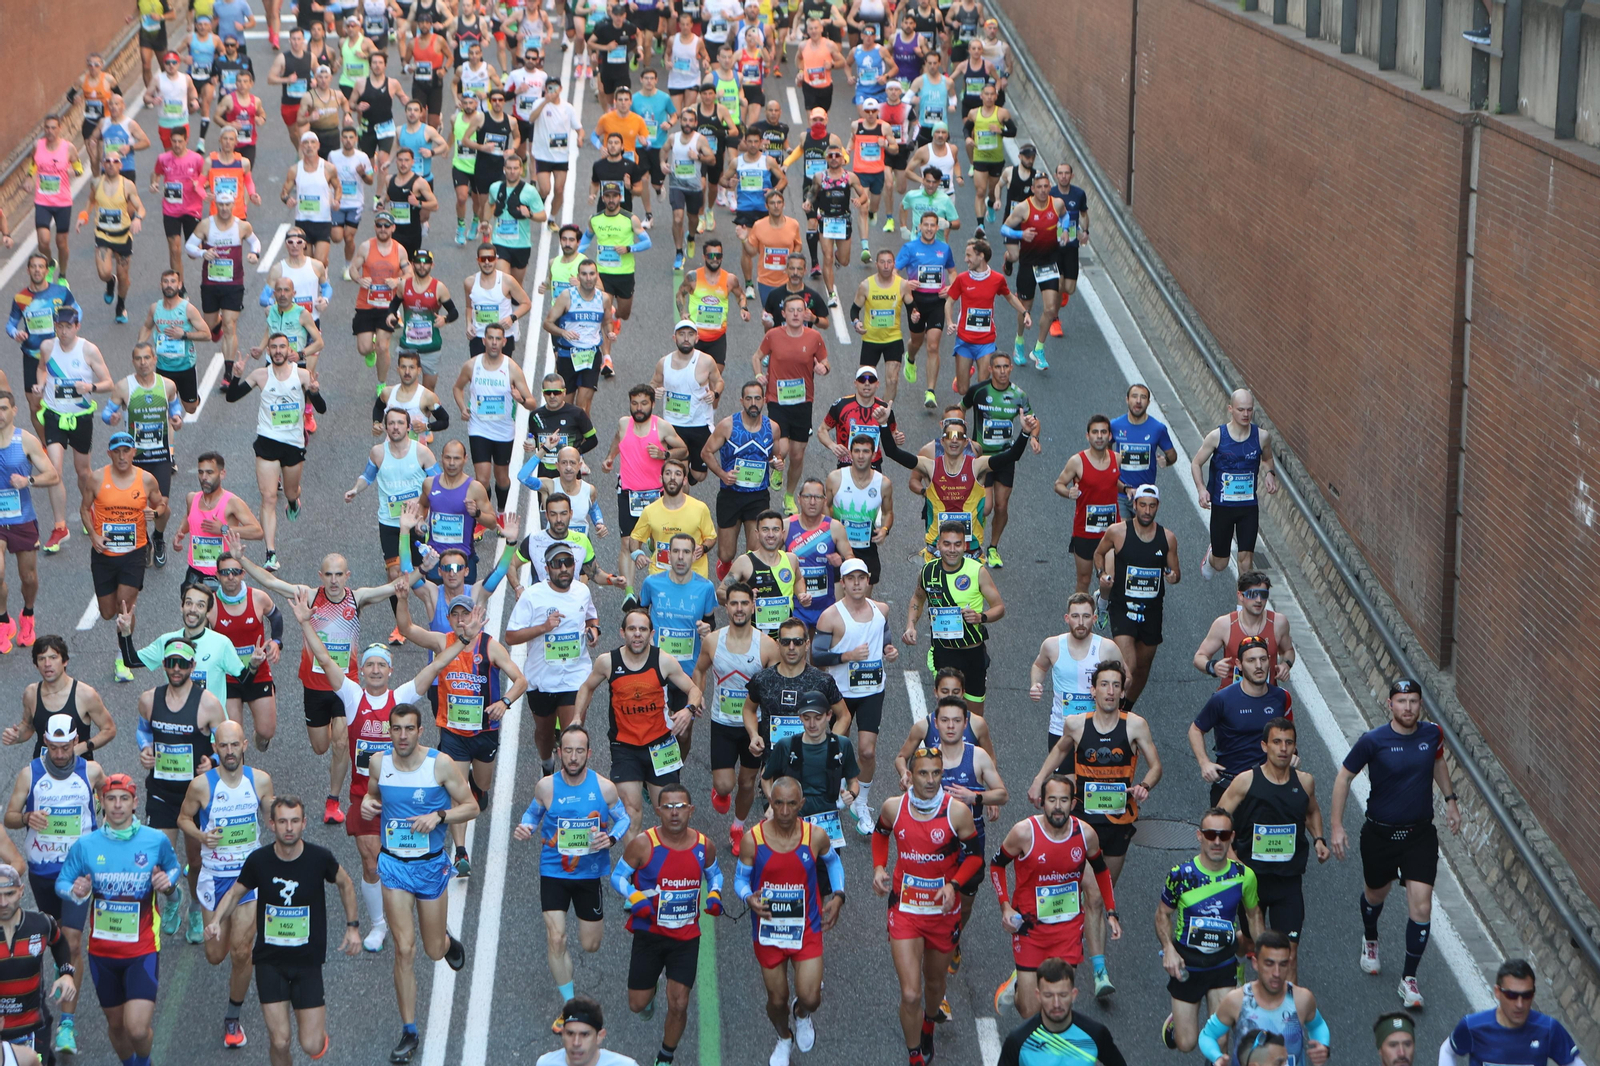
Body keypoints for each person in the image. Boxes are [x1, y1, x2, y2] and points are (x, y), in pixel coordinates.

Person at [1028, 659, 1161, 996]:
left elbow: (1156, 765)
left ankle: (1065, 950)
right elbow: (1058, 753)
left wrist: (1145, 784)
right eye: (1104, 685)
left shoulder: (1135, 726)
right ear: (1094, 689)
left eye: (1116, 686)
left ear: (1122, 691)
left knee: (1098, 899)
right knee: (1090, 897)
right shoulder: (1075, 724)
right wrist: (1039, 781)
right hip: (1082, 824)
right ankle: (1097, 969)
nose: (1110, 691)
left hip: (1118, 824)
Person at [1328, 676, 1462, 1009]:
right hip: (1380, 835)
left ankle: (1409, 980)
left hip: (1419, 835)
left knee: (1422, 905)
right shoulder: (1373, 741)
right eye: (1401, 702)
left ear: (1420, 705)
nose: (1408, 707)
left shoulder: (1432, 734)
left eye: (1413, 702)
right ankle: (1370, 938)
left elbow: (1438, 760)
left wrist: (1450, 799)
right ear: (1390, 704)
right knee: (1377, 893)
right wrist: (1336, 827)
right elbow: (1344, 776)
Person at [204, 795, 362, 1066]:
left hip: (307, 962)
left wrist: (353, 927)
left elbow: (346, 884)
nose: (289, 828)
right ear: (271, 824)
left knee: (310, 1044)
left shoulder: (319, 858)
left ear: (304, 824)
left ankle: (316, 1037)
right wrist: (217, 919)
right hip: (270, 962)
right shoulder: (259, 861)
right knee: (280, 1041)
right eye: (282, 822)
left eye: (294, 821)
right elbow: (234, 893)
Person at [361, 699, 475, 1063]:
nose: (403, 735)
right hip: (393, 866)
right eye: (397, 729)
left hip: (429, 866)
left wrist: (439, 816)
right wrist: (366, 803)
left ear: (420, 730)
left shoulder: (439, 764)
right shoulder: (379, 763)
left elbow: (471, 806)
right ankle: (409, 1031)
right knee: (404, 949)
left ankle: (445, 941)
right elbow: (372, 796)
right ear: (389, 731)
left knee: (432, 950)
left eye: (410, 728)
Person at [392, 585, 526, 876]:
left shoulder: (490, 646)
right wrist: (401, 599)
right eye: (456, 615)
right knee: (457, 789)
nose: (461, 620)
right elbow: (406, 628)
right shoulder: (443, 642)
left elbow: (520, 680)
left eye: (467, 614)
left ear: (477, 616)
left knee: (482, 785)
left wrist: (504, 702)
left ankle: (478, 787)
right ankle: (461, 853)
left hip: (484, 730)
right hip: (452, 732)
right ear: (450, 619)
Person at [55, 772, 181, 1066]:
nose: (117, 805)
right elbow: (63, 882)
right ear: (101, 802)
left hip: (142, 950)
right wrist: (75, 890)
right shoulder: (86, 845)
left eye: (124, 799)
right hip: (102, 953)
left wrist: (167, 881)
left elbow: (173, 868)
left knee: (137, 1029)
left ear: (135, 803)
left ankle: (145, 1062)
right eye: (110, 799)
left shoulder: (155, 840)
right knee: (116, 1027)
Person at [514, 724, 630, 1032]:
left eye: (580, 751)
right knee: (556, 938)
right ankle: (569, 1006)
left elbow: (624, 817)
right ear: (559, 753)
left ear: (589, 754)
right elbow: (532, 814)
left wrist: (612, 838)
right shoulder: (546, 787)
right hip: (553, 871)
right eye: (568, 750)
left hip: (588, 873)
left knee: (590, 945)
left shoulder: (604, 788)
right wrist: (525, 827)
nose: (574, 757)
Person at [874, 744, 984, 1065]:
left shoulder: (956, 812)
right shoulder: (894, 807)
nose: (931, 780)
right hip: (905, 909)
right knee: (910, 993)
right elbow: (881, 834)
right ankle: (914, 1057)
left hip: (942, 913)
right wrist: (879, 867)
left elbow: (974, 856)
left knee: (934, 984)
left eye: (937, 773)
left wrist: (954, 884)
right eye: (924, 773)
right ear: (909, 775)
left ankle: (928, 1023)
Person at [3, 715, 102, 1057]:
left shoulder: (91, 771)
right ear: (45, 742)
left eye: (66, 747)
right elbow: (9, 816)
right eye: (54, 747)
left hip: (77, 873)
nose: (60, 754)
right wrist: (27, 818)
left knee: (73, 941)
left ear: (75, 740)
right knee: (50, 937)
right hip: (42, 871)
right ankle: (36, 998)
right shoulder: (31, 774)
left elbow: (110, 799)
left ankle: (67, 1025)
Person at [177, 720, 273, 1049]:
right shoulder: (202, 785)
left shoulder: (260, 780)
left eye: (235, 745)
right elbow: (183, 819)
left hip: (249, 882)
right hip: (214, 879)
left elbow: (272, 814)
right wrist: (201, 835)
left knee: (242, 952)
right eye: (223, 746)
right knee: (216, 954)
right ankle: (228, 934)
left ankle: (233, 1017)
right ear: (215, 748)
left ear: (245, 744)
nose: (229, 752)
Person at [611, 785, 723, 1066]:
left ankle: (665, 1056)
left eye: (680, 806)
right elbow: (618, 877)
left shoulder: (703, 845)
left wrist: (714, 894)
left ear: (691, 810)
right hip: (649, 933)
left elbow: (716, 873)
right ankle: (649, 995)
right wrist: (635, 896)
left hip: (686, 937)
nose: (675, 813)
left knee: (680, 1002)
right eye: (669, 807)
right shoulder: (643, 844)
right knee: (637, 1004)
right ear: (658, 811)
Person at [737, 775, 845, 1066]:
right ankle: (784, 1038)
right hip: (768, 931)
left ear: (802, 804)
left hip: (806, 929)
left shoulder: (815, 836)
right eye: (778, 803)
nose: (784, 811)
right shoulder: (753, 839)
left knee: (811, 998)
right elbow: (740, 879)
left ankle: (802, 1014)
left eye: (791, 804)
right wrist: (748, 897)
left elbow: (833, 862)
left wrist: (838, 895)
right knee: (776, 1000)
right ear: (770, 803)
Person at [991, 775, 1118, 1017]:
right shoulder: (1024, 832)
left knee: (1056, 1008)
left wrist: (1111, 910)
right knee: (1030, 1011)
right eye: (1052, 800)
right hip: (1030, 929)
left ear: (1073, 803)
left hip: (1068, 929)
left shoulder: (1085, 834)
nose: (1058, 806)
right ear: (1042, 802)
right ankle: (1019, 985)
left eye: (1063, 800)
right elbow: (997, 865)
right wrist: (1005, 906)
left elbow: (1101, 870)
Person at [574, 608, 703, 842]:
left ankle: (669, 868)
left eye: (643, 629)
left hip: (661, 745)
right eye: (632, 629)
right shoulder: (608, 662)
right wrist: (576, 717)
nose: (637, 634)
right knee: (631, 813)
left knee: (669, 811)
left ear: (651, 633)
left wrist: (689, 710)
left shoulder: (663, 660)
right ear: (622, 632)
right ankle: (634, 873)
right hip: (625, 748)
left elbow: (693, 689)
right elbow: (586, 687)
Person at [1216, 721, 1329, 982]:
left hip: (1288, 882)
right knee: (1254, 946)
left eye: (1289, 743)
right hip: (1251, 881)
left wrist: (1319, 839)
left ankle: (1287, 1017)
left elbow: (1311, 811)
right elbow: (1217, 820)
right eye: (1277, 742)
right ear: (1264, 746)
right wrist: (1232, 859)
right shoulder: (1246, 781)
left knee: (1288, 953)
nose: (1283, 748)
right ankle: (1240, 963)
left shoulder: (1305, 782)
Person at [1156, 808, 1264, 1053]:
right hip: (1188, 963)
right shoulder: (1180, 875)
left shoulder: (1243, 876)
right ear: (1199, 836)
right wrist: (1168, 949)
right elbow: (1163, 915)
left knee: (1220, 1041)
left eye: (1223, 835)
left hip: (1222, 962)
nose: (1217, 841)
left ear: (1232, 837)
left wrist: (1262, 952)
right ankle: (1176, 1023)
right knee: (1186, 1044)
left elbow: (1254, 915)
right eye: (1211, 834)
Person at [222, 333, 327, 567]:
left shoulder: (301, 375)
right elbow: (231, 398)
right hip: (267, 441)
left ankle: (292, 502)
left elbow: (321, 409)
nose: (278, 351)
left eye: (282, 347)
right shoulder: (260, 375)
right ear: (268, 351)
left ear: (289, 350)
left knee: (290, 492)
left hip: (293, 444)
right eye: (273, 347)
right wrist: (235, 375)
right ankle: (271, 553)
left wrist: (316, 391)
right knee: (268, 497)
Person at [812, 558, 895, 834]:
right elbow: (817, 655)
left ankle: (862, 801)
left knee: (867, 751)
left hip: (873, 690)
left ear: (868, 580)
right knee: (836, 746)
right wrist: (846, 656)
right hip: (841, 693)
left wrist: (889, 650)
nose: (857, 583)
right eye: (851, 579)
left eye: (861, 578)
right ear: (843, 582)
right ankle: (833, 794)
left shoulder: (881, 609)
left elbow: (884, 639)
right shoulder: (831, 616)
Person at [693, 582, 779, 840]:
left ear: (753, 606)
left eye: (744, 603)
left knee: (747, 782)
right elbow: (699, 669)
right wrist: (697, 695)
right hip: (722, 722)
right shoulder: (713, 641)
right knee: (725, 784)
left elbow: (774, 687)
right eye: (734, 604)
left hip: (754, 725)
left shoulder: (766, 645)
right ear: (726, 607)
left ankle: (738, 827)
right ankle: (720, 792)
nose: (739, 609)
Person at [506, 540, 601, 770]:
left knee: (572, 737)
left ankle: (570, 783)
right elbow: (511, 636)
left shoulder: (582, 591)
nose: (563, 569)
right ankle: (547, 765)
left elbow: (591, 618)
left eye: (567, 563)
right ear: (547, 569)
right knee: (544, 735)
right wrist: (543, 628)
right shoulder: (532, 596)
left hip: (575, 677)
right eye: (557, 564)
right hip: (542, 679)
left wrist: (594, 631)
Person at [903, 520, 1007, 715]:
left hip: (972, 653)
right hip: (944, 653)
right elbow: (918, 598)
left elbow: (999, 607)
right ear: (938, 545)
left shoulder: (977, 571)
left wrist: (981, 617)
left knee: (974, 718)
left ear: (965, 546)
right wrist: (911, 625)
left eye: (957, 544)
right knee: (948, 714)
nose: (952, 550)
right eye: (947, 544)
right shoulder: (928, 571)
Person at [84, 434, 166, 678]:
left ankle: (124, 656)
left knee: (124, 606)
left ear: (134, 453)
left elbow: (161, 504)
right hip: (104, 553)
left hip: (134, 552)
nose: (122, 456)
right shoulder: (96, 479)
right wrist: (93, 536)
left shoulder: (146, 480)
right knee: (108, 612)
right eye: (117, 451)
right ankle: (125, 624)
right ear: (109, 453)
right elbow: (83, 509)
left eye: (126, 451)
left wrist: (156, 511)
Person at [1093, 483, 1179, 708]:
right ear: (1135, 505)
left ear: (1157, 507)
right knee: (1128, 666)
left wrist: (1172, 576)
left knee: (1142, 668)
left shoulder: (1167, 538)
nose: (1147, 511)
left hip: (1151, 611)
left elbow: (1175, 572)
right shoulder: (1117, 532)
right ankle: (1110, 708)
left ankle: (1126, 708)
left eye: (1151, 506)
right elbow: (1099, 554)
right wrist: (1102, 574)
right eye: (1142, 505)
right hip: (1122, 607)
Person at [37, 307, 115, 554]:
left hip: (80, 417)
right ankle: (60, 526)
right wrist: (40, 384)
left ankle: (88, 509)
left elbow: (108, 383)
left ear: (77, 326)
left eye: (67, 326)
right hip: (54, 415)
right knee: (54, 471)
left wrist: (89, 386)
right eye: (59, 326)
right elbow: (41, 368)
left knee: (83, 472)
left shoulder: (88, 350)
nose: (63, 331)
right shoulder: (48, 347)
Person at [100, 343, 182, 567]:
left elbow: (175, 407)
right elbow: (107, 413)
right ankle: (144, 540)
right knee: (135, 505)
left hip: (160, 455)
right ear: (133, 361)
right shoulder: (123, 387)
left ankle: (159, 537)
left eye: (147, 358)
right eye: (138, 358)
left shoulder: (167, 385)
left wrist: (177, 418)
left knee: (162, 507)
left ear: (155, 359)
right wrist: (111, 418)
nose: (143, 362)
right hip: (133, 458)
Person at [1198, 931, 1332, 1066]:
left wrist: (1323, 1045)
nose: (1276, 973)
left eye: (1283, 964)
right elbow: (1208, 1036)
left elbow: (1318, 1026)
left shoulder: (1302, 999)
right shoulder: (1237, 1001)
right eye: (1269, 963)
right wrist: (1216, 1057)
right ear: (1255, 963)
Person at [1188, 637, 1294, 805]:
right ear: (1239, 664)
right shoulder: (1222, 699)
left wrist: (1293, 755)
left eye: (1263, 659)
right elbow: (1195, 730)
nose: (1258, 666)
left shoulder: (1281, 697)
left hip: (1270, 785)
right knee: (1223, 831)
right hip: (1230, 785)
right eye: (1251, 660)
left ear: (1270, 661)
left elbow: (1289, 735)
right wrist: (1204, 763)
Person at [753, 294, 830, 511]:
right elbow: (756, 357)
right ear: (783, 314)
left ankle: (789, 496)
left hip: (803, 401)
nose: (796, 314)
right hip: (777, 399)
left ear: (805, 313)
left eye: (800, 310)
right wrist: (759, 375)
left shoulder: (814, 336)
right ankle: (777, 465)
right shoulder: (773, 336)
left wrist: (823, 368)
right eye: (791, 310)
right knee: (783, 448)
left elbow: (825, 362)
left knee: (798, 453)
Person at [1190, 388, 1278, 578]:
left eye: (1249, 410)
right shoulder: (1217, 436)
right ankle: (1212, 555)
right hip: (1223, 506)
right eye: (1241, 410)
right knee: (1221, 563)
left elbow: (1267, 459)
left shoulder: (1262, 437)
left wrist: (1270, 473)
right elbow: (1196, 463)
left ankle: (1241, 606)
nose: (1246, 414)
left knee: (1246, 561)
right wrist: (1201, 489)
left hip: (1248, 506)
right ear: (1230, 409)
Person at [961, 349, 1037, 566]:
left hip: (1005, 457)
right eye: (998, 367)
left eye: (1006, 367)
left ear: (1011, 368)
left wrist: (1034, 437)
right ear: (990, 369)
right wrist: (963, 436)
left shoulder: (1019, 395)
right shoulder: (978, 391)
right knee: (985, 507)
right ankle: (975, 544)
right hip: (981, 458)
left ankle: (993, 547)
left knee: (1001, 506)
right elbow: (959, 409)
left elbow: (1033, 420)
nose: (1003, 371)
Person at [704, 381, 786, 574]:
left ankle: (746, 593)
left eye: (757, 398)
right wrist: (723, 475)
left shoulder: (772, 428)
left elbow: (776, 455)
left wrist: (777, 463)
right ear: (742, 400)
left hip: (757, 495)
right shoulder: (728, 425)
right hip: (730, 494)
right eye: (748, 398)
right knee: (726, 553)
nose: (753, 403)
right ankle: (726, 572)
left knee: (755, 551)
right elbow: (706, 452)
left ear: (764, 400)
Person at [1444, 958, 1581, 1066]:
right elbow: (1447, 1051)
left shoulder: (1548, 1029)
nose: (1520, 1004)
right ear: (1497, 992)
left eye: (1526, 996)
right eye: (1511, 995)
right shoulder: (1473, 1026)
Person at [0, 391, 58, 647]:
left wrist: (28, 481)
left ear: (14, 411)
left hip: (22, 518)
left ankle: (27, 614)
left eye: (3, 409)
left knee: (29, 578)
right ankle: (3, 620)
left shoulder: (25, 440)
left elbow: (52, 475)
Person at [996, 956, 1127, 1066]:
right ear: (1038, 995)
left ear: (1073, 994)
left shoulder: (1095, 1034)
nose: (1056, 1003)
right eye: (1049, 995)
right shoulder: (1018, 1041)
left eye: (1063, 995)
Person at [184, 195, 262, 373]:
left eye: (228, 204)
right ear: (216, 204)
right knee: (210, 328)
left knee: (229, 325)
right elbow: (189, 246)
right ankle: (216, 325)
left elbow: (255, 242)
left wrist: (254, 254)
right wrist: (203, 253)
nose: (225, 208)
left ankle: (228, 371)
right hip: (210, 283)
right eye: (221, 204)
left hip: (234, 283)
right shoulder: (206, 224)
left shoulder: (242, 226)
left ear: (234, 205)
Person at [168, 450, 264, 591]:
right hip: (195, 572)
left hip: (224, 575)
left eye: (209, 473)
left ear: (222, 473)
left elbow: (258, 532)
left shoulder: (232, 502)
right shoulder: (192, 498)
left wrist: (223, 529)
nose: (204, 477)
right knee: (192, 612)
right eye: (200, 472)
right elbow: (190, 518)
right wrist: (180, 532)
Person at [8, 254, 79, 444]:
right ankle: (46, 444)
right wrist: (16, 333)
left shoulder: (61, 292)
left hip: (57, 354)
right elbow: (10, 325)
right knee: (34, 407)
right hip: (32, 355)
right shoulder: (21, 297)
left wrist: (68, 327)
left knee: (62, 400)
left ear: (47, 271)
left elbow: (77, 311)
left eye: (41, 267)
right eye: (34, 266)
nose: (37, 270)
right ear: (28, 270)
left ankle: (66, 435)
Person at [998, 172, 1066, 367]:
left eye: (1046, 186)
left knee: (1051, 308)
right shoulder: (1023, 207)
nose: (1043, 190)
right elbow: (1004, 228)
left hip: (1049, 263)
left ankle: (1038, 349)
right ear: (1033, 189)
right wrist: (1021, 233)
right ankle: (1019, 341)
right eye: (1039, 187)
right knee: (1024, 308)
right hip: (1028, 263)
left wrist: (1064, 232)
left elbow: (1065, 217)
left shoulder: (1058, 204)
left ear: (1049, 187)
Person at [9, 637, 117, 758]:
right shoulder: (31, 693)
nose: (47, 664)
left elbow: (109, 729)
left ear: (65, 661)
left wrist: (83, 747)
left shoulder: (85, 694)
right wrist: (17, 735)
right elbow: (28, 726)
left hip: (78, 770)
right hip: (43, 769)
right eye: (41, 659)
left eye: (53, 658)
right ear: (36, 665)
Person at [650, 322, 725, 485]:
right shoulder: (664, 362)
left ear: (697, 338)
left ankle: (691, 470)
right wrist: (654, 391)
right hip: (673, 424)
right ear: (674, 337)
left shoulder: (706, 361)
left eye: (690, 334)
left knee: (699, 475)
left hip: (699, 423)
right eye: (681, 334)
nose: (686, 338)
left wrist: (715, 393)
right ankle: (680, 502)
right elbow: (653, 383)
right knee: (677, 473)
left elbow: (719, 381)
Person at [1193, 570, 1297, 688]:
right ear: (1240, 596)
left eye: (1263, 595)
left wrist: (1286, 665)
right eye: (1252, 594)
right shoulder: (1224, 625)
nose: (1258, 600)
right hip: (1232, 699)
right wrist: (1212, 667)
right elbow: (1199, 657)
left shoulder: (1278, 623)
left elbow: (1288, 650)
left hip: (1267, 699)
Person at [78, 153, 146, 323]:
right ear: (103, 164)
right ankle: (110, 282)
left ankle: (120, 306)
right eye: (107, 161)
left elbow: (141, 207)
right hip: (103, 234)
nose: (111, 164)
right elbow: (90, 201)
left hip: (123, 236)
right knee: (103, 273)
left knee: (124, 278)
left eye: (115, 161)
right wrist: (83, 216)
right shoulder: (96, 183)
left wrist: (138, 218)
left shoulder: (128, 185)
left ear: (120, 165)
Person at [138, 268, 212, 420]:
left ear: (179, 285)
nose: (169, 285)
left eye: (173, 282)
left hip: (185, 366)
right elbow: (147, 326)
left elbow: (207, 335)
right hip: (163, 366)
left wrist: (184, 335)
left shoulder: (188, 309)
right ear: (161, 285)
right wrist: (140, 344)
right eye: (165, 282)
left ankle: (191, 397)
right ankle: (172, 406)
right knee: (162, 410)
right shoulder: (155, 308)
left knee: (191, 409)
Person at [348, 211, 411, 386]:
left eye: (386, 226)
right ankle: (370, 350)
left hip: (388, 306)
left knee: (383, 346)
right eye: (379, 225)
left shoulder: (399, 250)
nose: (382, 229)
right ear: (375, 227)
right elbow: (353, 268)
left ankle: (381, 384)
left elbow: (409, 273)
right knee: (364, 348)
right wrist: (359, 279)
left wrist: (397, 281)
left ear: (393, 228)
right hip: (366, 304)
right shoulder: (366, 247)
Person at [628, 460, 718, 584]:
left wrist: (703, 548)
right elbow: (635, 537)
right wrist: (637, 554)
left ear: (685, 480)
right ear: (661, 478)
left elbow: (711, 537)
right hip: (660, 576)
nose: (672, 478)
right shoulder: (650, 511)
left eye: (678, 474)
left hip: (694, 577)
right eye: (668, 473)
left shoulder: (700, 508)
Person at [825, 431, 895, 586]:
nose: (861, 456)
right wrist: (831, 532)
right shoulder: (835, 478)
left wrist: (884, 529)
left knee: (864, 601)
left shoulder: (883, 483)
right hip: (839, 546)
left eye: (865, 451)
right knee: (840, 602)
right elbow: (825, 506)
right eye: (856, 451)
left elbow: (888, 512)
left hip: (866, 546)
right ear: (850, 453)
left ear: (874, 454)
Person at [30, 116, 87, 283]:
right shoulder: (38, 145)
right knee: (43, 241)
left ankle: (62, 274)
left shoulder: (68, 148)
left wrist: (74, 172)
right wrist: (29, 176)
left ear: (59, 129)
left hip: (62, 202)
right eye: (47, 127)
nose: (50, 131)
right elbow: (33, 162)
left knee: (61, 243)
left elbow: (79, 169)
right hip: (42, 200)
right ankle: (50, 263)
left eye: (53, 128)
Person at [1110, 382, 1173, 510]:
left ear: (1148, 402)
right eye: (1134, 396)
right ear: (1127, 399)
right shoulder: (1115, 425)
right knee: (1124, 529)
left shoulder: (1158, 428)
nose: (1138, 401)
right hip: (1121, 493)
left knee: (1141, 530)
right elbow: (1104, 456)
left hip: (1145, 495)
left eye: (1143, 397)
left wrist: (1166, 461)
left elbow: (1172, 455)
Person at [541, 996, 643, 1066]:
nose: (576, 1043)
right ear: (562, 1033)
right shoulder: (545, 1063)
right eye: (570, 1033)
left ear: (600, 1036)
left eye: (585, 1034)